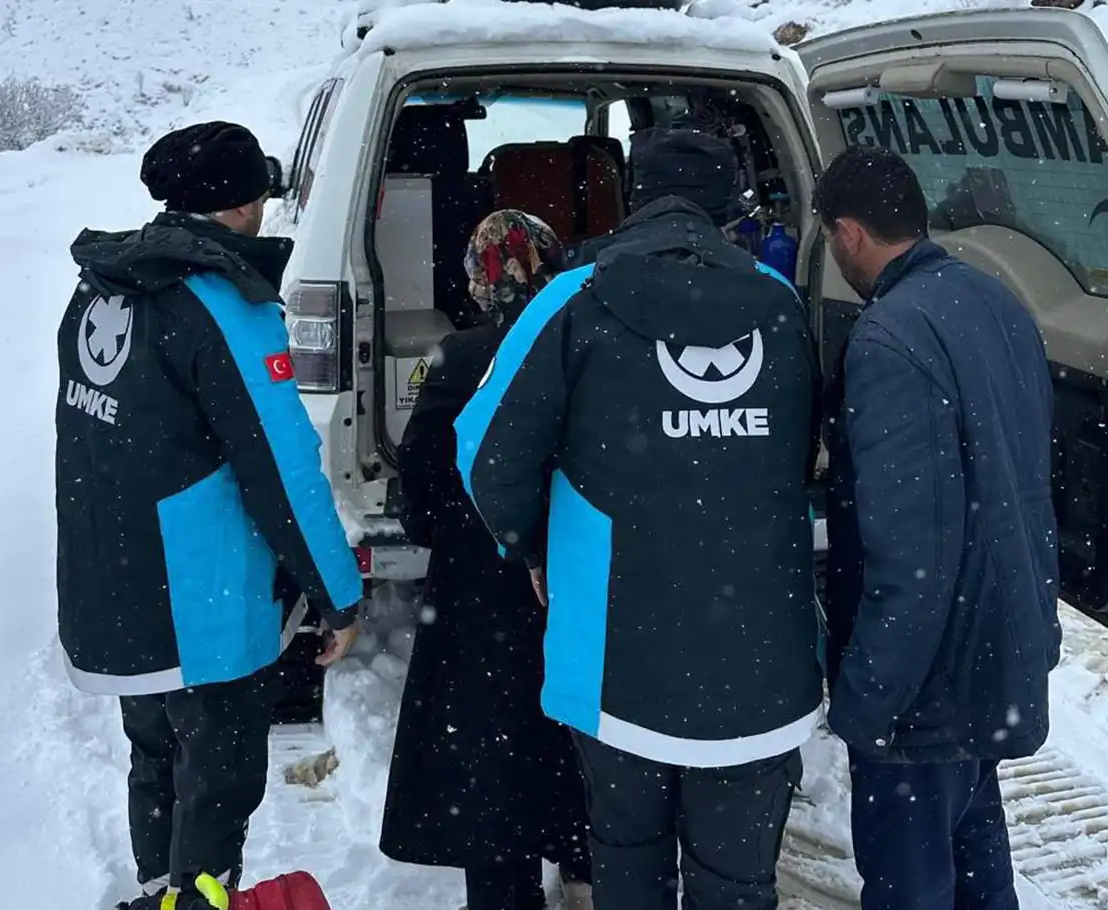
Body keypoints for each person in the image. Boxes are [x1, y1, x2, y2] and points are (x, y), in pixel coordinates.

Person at [453, 128, 824, 910]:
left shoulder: (572, 299)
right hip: (760, 661)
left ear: (631, 199)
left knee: (629, 860)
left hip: (616, 659)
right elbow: (798, 459)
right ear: (732, 208)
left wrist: (534, 547)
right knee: (737, 882)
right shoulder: (782, 306)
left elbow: (485, 451)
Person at [55, 121, 365, 910]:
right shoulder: (221, 302)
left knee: (156, 759)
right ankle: (196, 901)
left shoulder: (106, 286)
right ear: (242, 202)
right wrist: (336, 594)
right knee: (217, 782)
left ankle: (161, 894)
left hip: (116, 583)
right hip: (201, 603)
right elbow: (283, 466)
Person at [816, 145, 1061, 910]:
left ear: (849, 233)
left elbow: (908, 550)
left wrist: (871, 693)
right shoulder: (994, 300)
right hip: (997, 640)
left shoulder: (889, 336)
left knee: (910, 884)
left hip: (927, 682)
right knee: (978, 855)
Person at [380, 209, 593, 910]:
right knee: (576, 743)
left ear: (478, 277)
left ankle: (507, 892)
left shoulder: (463, 356)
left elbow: (420, 488)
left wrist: (464, 536)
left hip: (479, 593)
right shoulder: (586, 340)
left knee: (493, 761)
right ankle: (586, 864)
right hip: (573, 580)